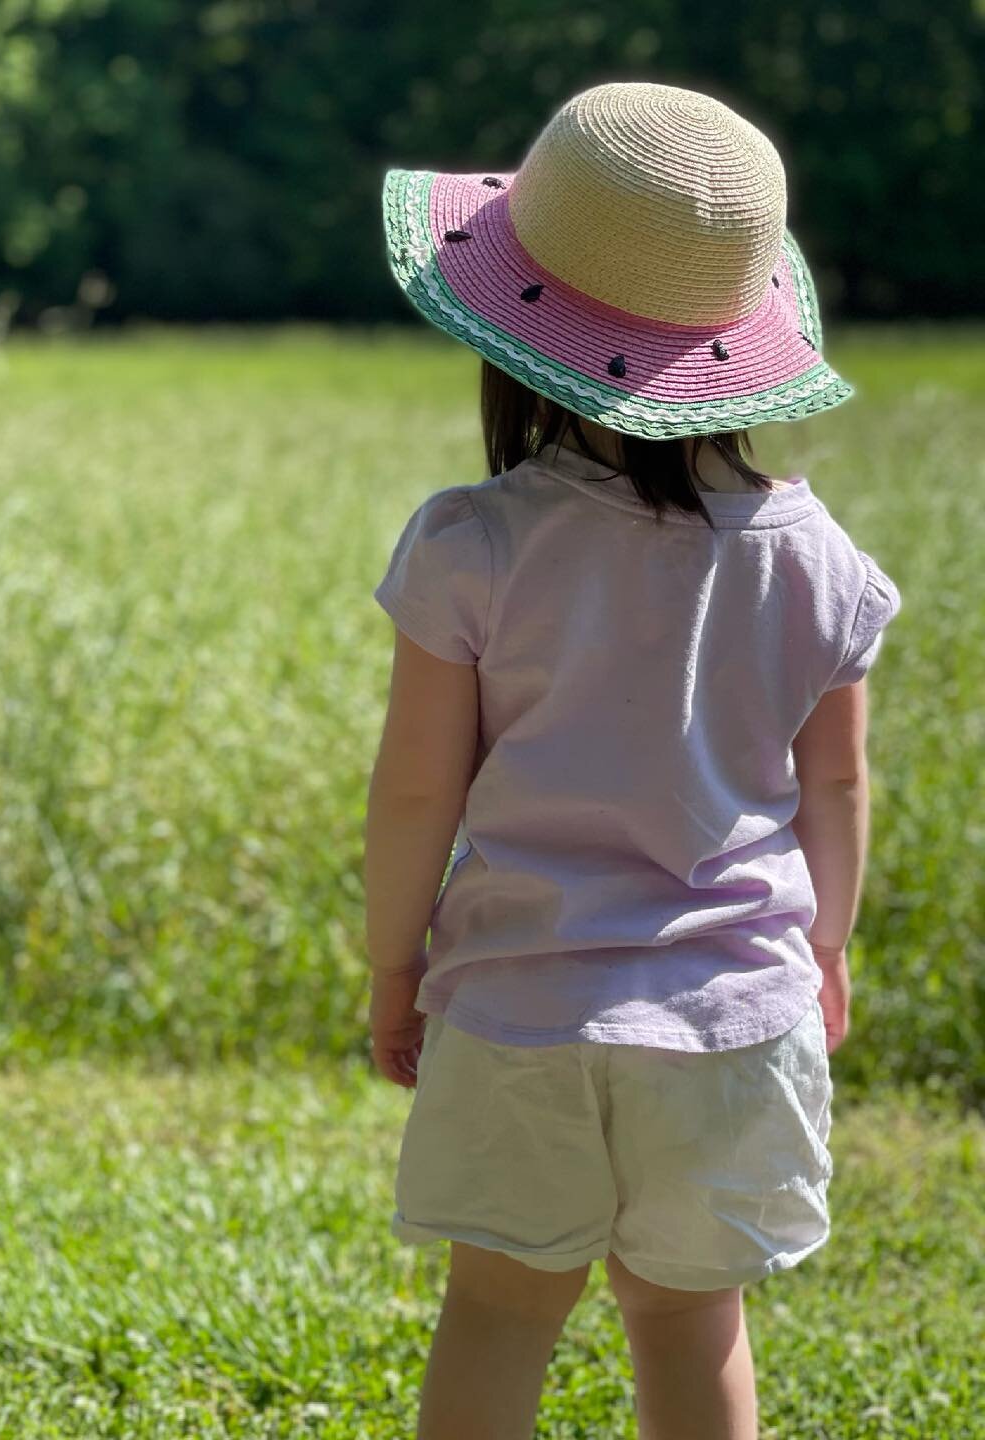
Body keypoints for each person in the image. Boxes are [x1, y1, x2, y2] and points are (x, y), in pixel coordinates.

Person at [364, 82, 902, 1440]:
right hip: (732, 1015)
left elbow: (417, 790)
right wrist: (825, 946)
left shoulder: (473, 544)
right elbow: (835, 789)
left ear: (511, 326)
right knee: (688, 1320)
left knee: (495, 1311)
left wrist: (392, 960)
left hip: (520, 1014)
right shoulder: (816, 559)